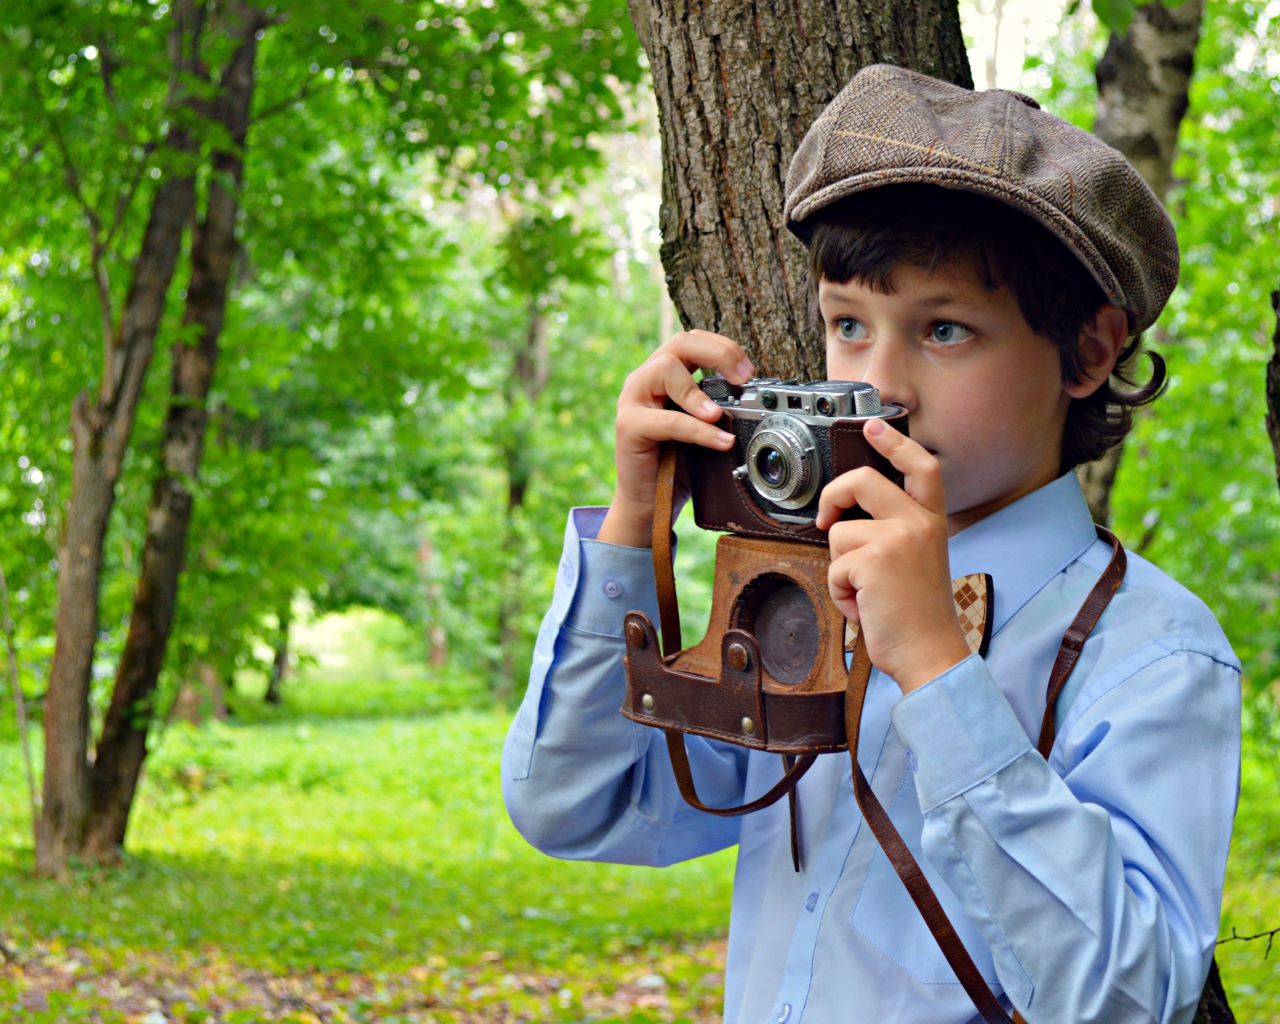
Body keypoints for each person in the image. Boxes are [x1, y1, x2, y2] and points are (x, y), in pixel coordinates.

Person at [501, 65, 1240, 1024]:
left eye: (943, 330)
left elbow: (1128, 1001)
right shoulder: (796, 597)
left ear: (1091, 353)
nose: (879, 383)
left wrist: (937, 670)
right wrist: (630, 525)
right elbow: (576, 804)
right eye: (847, 324)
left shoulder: (1152, 651)